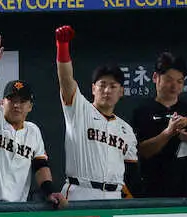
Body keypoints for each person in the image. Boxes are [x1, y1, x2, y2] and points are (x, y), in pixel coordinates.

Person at [0, 33, 65, 205]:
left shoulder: (33, 131)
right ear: (2, 102)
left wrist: (49, 192)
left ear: (30, 106)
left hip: (14, 210)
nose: (16, 105)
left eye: (22, 101)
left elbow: (40, 166)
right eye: (11, 100)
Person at [53, 25, 139, 201]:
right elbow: (66, 80)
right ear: (93, 88)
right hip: (80, 192)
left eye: (113, 86)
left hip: (114, 196)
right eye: (102, 85)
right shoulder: (79, 109)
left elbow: (131, 174)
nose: (107, 90)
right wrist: (62, 47)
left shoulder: (126, 130)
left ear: (121, 92)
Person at [131, 52, 187, 198]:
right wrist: (168, 132)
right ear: (156, 78)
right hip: (154, 192)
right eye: (169, 80)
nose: (174, 86)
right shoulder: (142, 112)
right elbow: (142, 151)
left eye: (180, 81)